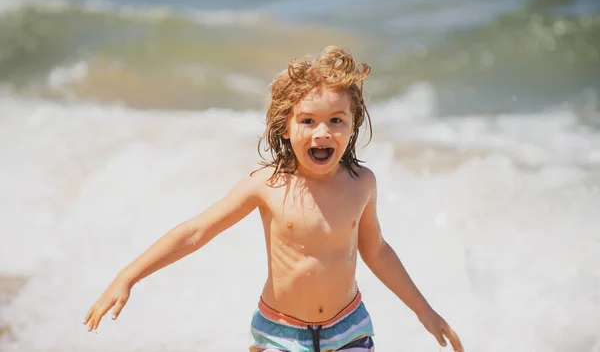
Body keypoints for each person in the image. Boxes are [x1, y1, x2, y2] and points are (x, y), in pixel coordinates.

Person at [83, 46, 464, 352]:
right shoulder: (266, 185)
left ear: (353, 126)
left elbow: (377, 251)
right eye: (308, 120)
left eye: (336, 120)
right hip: (281, 333)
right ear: (285, 125)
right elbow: (196, 232)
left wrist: (424, 312)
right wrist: (127, 276)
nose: (322, 132)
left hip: (348, 328)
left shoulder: (362, 183)